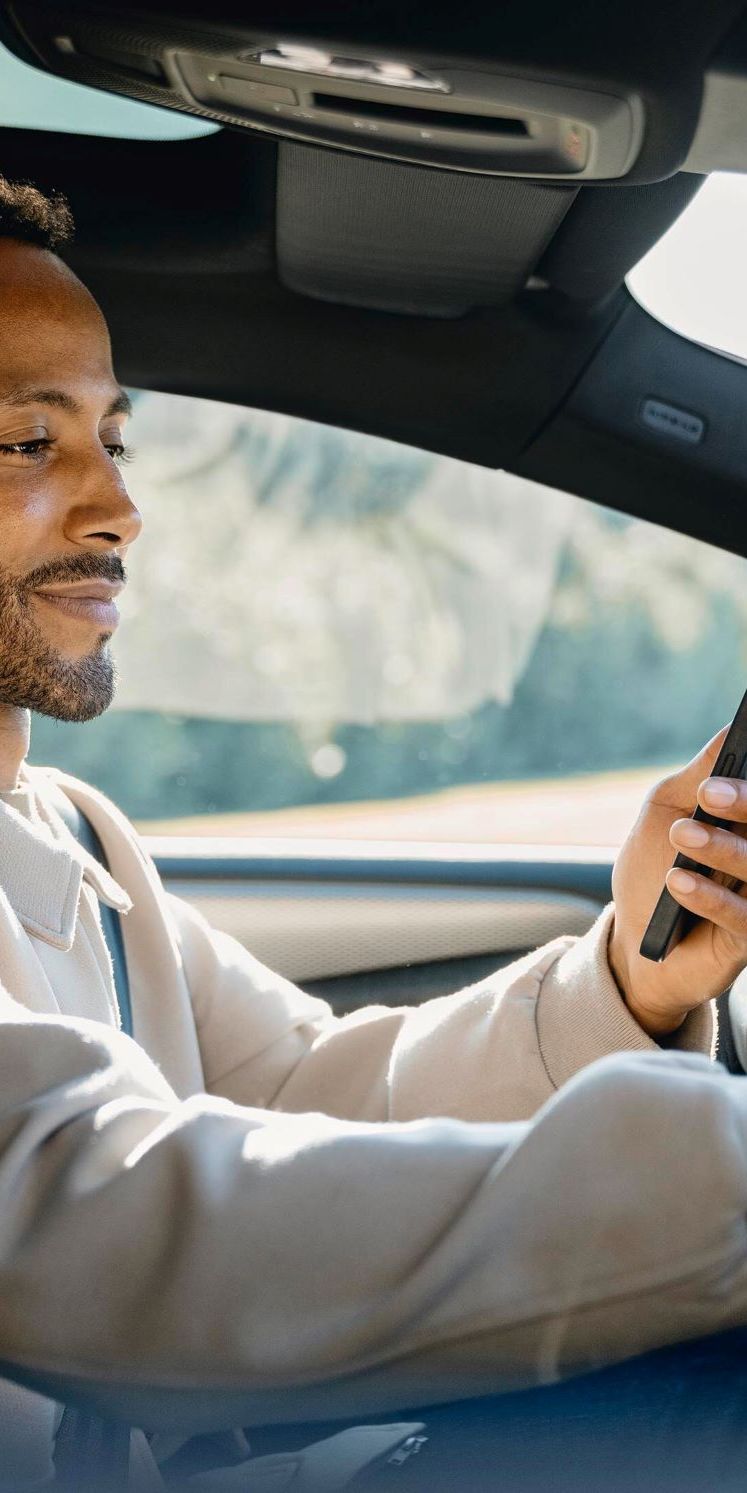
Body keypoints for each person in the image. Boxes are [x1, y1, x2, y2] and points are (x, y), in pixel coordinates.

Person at [1, 172, 747, 1492]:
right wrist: (717, 1184)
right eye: (27, 444)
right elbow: (109, 1225)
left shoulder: (81, 838)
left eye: (115, 437)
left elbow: (310, 1091)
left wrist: (629, 977)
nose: (117, 508)